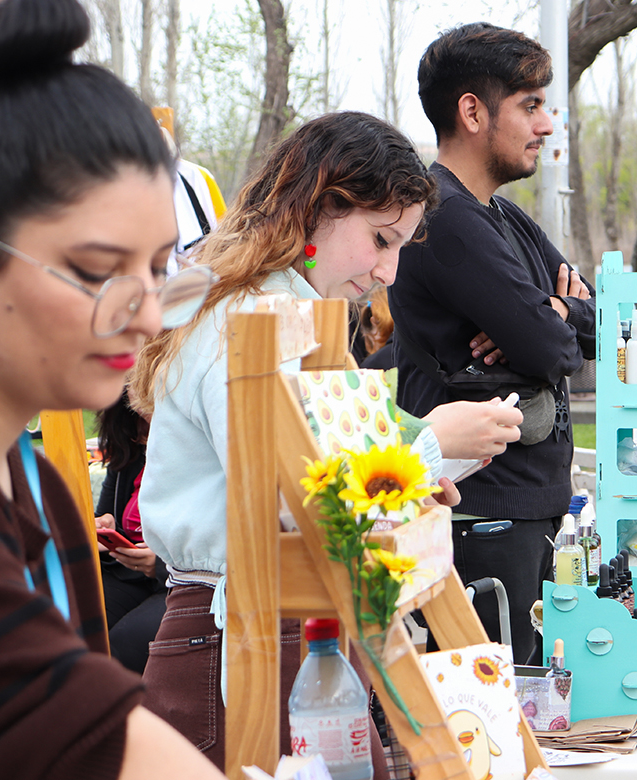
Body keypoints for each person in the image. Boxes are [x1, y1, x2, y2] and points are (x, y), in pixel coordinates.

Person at [0, 0, 222, 777]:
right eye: (98, 272)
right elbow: (70, 727)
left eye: (160, 272)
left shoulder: (42, 490)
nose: (150, 316)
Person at [129, 111, 522, 767]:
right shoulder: (246, 320)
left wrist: (412, 479)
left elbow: (325, 477)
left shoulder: (296, 319)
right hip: (236, 636)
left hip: (291, 631)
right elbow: (287, 495)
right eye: (380, 239)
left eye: (400, 247)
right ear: (315, 209)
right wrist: (423, 445)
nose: (390, 272)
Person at [391, 22, 596, 664]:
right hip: (482, 512)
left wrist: (558, 309)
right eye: (530, 106)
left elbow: (599, 320)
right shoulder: (444, 217)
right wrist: (553, 322)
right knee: (500, 719)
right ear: (473, 111)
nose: (546, 125)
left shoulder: (502, 216)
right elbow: (555, 353)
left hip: (526, 507)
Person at [94, 390, 167, 675]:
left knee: (124, 644)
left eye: (149, 423)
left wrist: (160, 565)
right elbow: (104, 514)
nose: (143, 436)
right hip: (125, 566)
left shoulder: (200, 456)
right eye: (137, 428)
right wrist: (104, 526)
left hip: (180, 576)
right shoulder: (129, 454)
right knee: (71, 620)